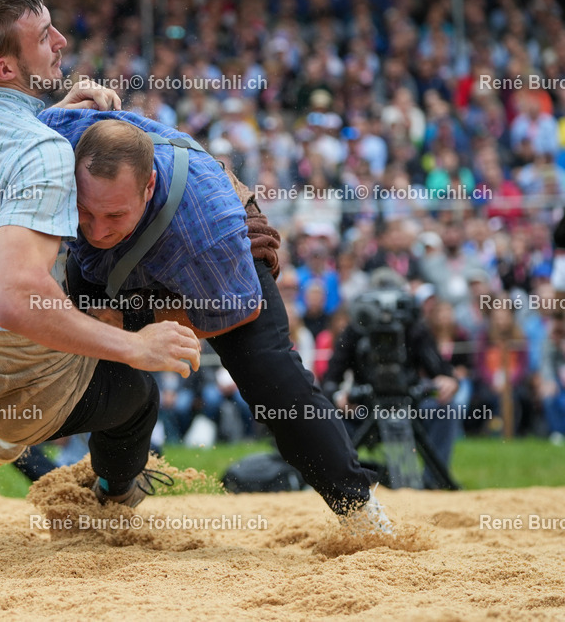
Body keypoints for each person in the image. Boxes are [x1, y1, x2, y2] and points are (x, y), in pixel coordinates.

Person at [0, 0, 202, 538]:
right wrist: (136, 347)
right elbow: (16, 303)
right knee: (135, 394)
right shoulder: (43, 153)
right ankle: (110, 502)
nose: (60, 41)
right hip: (22, 380)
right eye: (43, 36)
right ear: (7, 67)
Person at [38, 112, 386, 524]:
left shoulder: (210, 228)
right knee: (112, 378)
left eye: (113, 215)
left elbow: (240, 309)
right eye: (84, 211)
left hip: (218, 275)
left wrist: (144, 332)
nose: (96, 229)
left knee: (274, 383)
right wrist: (112, 333)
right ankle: (114, 493)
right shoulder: (59, 135)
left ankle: (360, 511)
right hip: (107, 270)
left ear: (148, 187)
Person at [321, 270, 460, 489]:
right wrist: (339, 398)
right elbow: (329, 382)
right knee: (326, 418)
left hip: (410, 405)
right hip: (364, 409)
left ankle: (434, 485)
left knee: (444, 410)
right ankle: (349, 481)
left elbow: (444, 373)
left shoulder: (415, 329)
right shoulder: (355, 330)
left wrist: (449, 381)